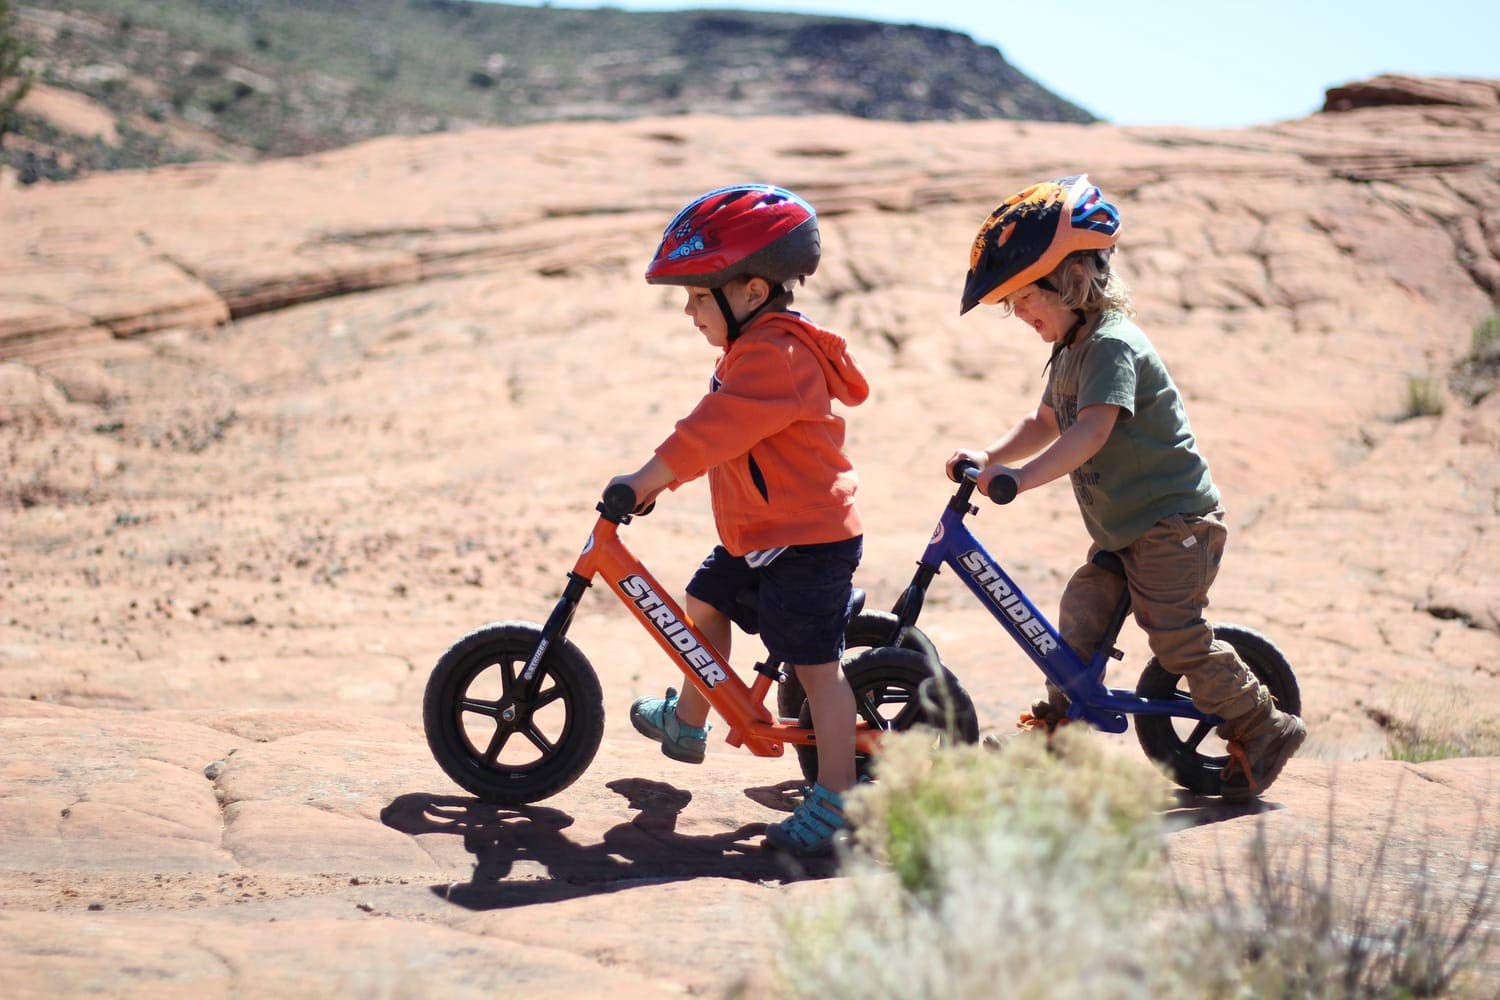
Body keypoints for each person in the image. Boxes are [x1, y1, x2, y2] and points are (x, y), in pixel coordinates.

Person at [946, 174, 1306, 801]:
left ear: (1071, 279)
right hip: (1125, 530)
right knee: (1080, 617)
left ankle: (1263, 723)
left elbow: (1090, 431)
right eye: (1014, 307)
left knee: (1173, 634)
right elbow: (1045, 422)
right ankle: (1060, 738)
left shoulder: (1111, 345)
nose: (1023, 315)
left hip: (1173, 525)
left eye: (1028, 298)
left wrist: (1022, 480)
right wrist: (989, 456)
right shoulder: (1070, 350)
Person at [607, 184, 869, 853]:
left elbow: (709, 433)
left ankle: (835, 797)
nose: (690, 312)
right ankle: (689, 723)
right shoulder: (757, 348)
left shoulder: (774, 357)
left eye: (699, 297)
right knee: (705, 602)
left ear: (751, 291)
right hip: (761, 536)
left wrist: (647, 478)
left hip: (807, 544)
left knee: (817, 669)